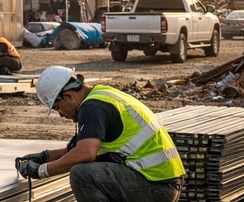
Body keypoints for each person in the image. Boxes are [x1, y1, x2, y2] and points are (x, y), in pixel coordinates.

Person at [16, 66, 185, 202]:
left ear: (68, 96)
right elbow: (77, 149)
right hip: (160, 181)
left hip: (154, 186)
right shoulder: (101, 96)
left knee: (81, 175)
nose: (61, 114)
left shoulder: (92, 107)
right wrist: (44, 156)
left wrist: (41, 171)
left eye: (57, 107)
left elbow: (85, 154)